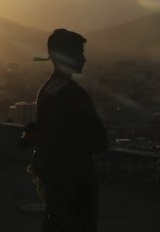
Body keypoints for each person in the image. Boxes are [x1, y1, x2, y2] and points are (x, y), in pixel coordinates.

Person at [26, 29, 108, 232]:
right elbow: (100, 141)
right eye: (79, 53)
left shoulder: (47, 89)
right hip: (75, 183)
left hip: (55, 180)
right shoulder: (74, 94)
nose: (84, 59)